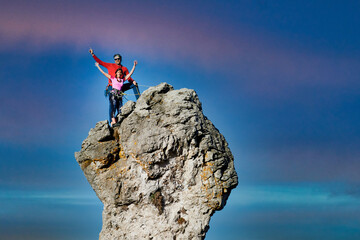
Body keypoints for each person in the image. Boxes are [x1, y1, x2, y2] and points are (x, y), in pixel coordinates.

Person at [89, 48, 140, 120]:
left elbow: (128, 78)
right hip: (111, 86)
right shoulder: (110, 65)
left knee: (134, 85)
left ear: (120, 59)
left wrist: (133, 81)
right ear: (114, 60)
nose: (117, 60)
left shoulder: (124, 68)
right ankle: (112, 121)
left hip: (120, 86)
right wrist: (92, 54)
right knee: (112, 103)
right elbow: (100, 62)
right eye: (115, 59)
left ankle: (139, 101)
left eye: (118, 59)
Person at [95, 60, 137, 126]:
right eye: (118, 72)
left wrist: (134, 66)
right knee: (113, 107)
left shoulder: (122, 80)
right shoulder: (113, 78)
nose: (119, 73)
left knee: (120, 108)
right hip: (113, 94)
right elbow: (104, 73)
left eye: (120, 72)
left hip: (119, 95)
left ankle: (119, 121)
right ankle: (113, 122)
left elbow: (130, 74)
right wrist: (98, 66)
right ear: (116, 73)